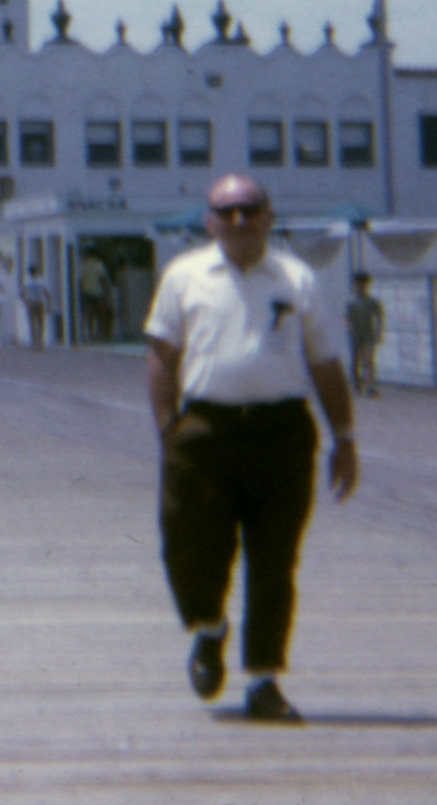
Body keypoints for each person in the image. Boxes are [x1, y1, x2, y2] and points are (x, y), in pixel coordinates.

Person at [145, 174, 359, 725]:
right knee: (186, 544)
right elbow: (162, 354)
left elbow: (325, 362)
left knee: (275, 560)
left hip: (281, 431)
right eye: (226, 211)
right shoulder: (184, 275)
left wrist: (345, 438)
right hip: (205, 428)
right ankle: (209, 626)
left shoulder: (296, 278)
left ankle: (264, 680)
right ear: (209, 221)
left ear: (269, 216)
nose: (238, 220)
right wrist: (168, 428)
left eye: (249, 208)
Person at [345, 272, 385, 399]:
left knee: (369, 361)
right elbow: (346, 318)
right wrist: (349, 330)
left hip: (369, 334)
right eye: (358, 284)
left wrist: (379, 332)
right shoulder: (351, 302)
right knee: (355, 361)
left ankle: (370, 386)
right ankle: (356, 385)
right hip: (355, 335)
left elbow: (379, 318)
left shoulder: (372, 302)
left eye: (363, 285)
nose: (360, 287)